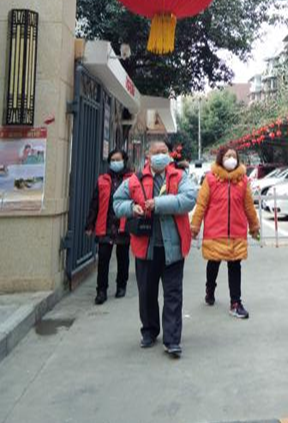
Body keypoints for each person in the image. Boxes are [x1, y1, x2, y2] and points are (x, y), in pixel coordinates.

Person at [113, 140, 197, 358]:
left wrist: (158, 204)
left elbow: (189, 199)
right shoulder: (135, 180)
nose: (161, 155)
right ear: (148, 156)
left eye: (164, 152)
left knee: (173, 294)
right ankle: (149, 331)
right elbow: (117, 202)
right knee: (147, 294)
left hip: (174, 247)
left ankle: (172, 339)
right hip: (146, 247)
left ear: (169, 155)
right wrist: (132, 208)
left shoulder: (179, 177)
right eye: (156, 152)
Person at [190, 147, 260, 319]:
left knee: (235, 266)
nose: (231, 159)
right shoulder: (210, 179)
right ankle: (210, 289)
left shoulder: (243, 181)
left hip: (236, 232)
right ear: (221, 158)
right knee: (213, 263)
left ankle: (235, 303)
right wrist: (195, 226)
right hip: (215, 231)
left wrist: (254, 226)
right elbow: (201, 205)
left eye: (234, 156)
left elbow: (249, 206)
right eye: (228, 156)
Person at [85, 149, 133, 305]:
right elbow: (95, 203)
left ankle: (121, 285)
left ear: (124, 161)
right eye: (113, 160)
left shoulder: (131, 179)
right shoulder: (102, 180)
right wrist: (90, 224)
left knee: (123, 258)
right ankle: (101, 290)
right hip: (105, 224)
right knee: (103, 258)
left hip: (123, 224)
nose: (115, 162)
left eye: (118, 159)